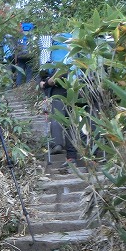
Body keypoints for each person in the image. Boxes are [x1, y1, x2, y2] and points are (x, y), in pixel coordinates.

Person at [40, 33, 78, 163]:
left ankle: (57, 144)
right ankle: (74, 153)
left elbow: (44, 70)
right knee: (73, 119)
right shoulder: (75, 46)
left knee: (57, 115)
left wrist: (44, 83)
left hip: (58, 86)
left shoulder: (49, 46)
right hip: (77, 85)